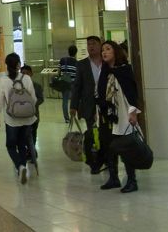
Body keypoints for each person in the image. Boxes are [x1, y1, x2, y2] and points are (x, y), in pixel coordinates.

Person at [96, 40, 141, 193]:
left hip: (124, 114)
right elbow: (101, 93)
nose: (104, 52)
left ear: (115, 51)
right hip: (109, 115)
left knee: (126, 147)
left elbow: (132, 93)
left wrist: (133, 112)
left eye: (108, 49)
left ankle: (131, 180)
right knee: (109, 146)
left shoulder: (124, 70)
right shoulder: (105, 71)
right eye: (103, 50)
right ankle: (114, 178)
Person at [0, 53, 37, 184]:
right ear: (18, 65)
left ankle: (20, 166)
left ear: (7, 65)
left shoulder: (4, 80)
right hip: (27, 119)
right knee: (22, 145)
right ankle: (22, 167)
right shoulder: (27, 78)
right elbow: (33, 98)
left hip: (11, 120)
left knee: (11, 145)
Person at [70, 35, 105, 174]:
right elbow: (77, 86)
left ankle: (106, 158)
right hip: (89, 106)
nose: (91, 46)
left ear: (100, 45)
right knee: (92, 134)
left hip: (106, 106)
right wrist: (73, 105)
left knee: (105, 134)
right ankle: (94, 161)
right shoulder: (82, 64)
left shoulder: (106, 62)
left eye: (94, 43)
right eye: (88, 44)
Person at [21, 65, 44, 157]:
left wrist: (32, 104)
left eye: (27, 73)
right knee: (24, 135)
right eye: (23, 73)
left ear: (31, 74)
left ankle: (31, 150)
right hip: (21, 116)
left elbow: (41, 99)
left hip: (34, 115)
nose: (25, 75)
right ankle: (31, 151)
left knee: (33, 134)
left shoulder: (37, 86)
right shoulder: (18, 86)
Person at [59, 44, 78, 123]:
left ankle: (66, 118)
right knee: (74, 100)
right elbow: (77, 74)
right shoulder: (77, 62)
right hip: (73, 83)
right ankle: (74, 116)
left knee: (65, 101)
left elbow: (59, 71)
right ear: (76, 53)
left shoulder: (63, 60)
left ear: (68, 52)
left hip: (65, 82)